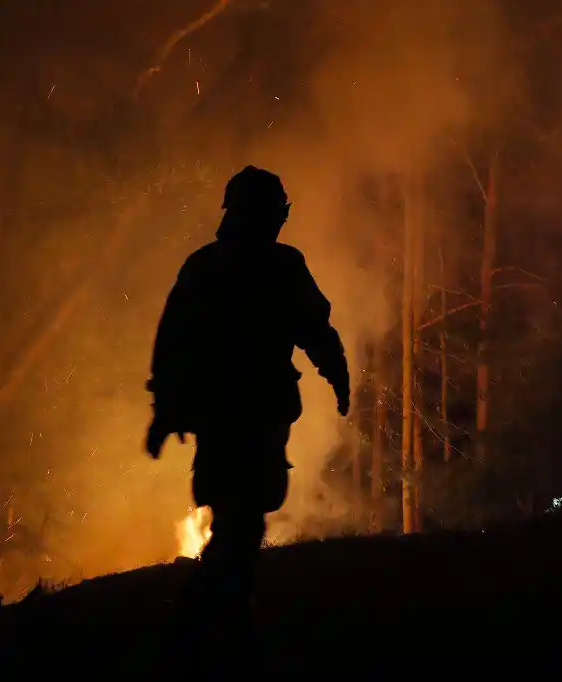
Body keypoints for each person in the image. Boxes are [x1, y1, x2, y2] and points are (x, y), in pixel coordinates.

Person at [144, 166, 351, 660]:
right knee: (239, 531)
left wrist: (166, 413)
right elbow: (316, 331)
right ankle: (193, 636)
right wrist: (337, 375)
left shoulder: (205, 267)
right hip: (253, 421)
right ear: (271, 214)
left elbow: (172, 347)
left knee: (239, 527)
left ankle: (225, 634)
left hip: (224, 422)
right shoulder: (280, 266)